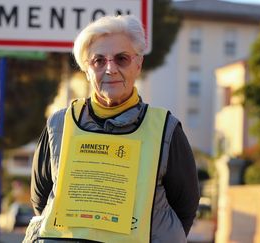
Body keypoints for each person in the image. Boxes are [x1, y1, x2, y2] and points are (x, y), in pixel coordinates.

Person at [24, 15, 199, 243]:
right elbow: (41, 199)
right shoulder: (58, 125)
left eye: (122, 59)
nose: (110, 69)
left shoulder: (166, 130)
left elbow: (185, 207)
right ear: (87, 70)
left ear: (138, 64)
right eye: (98, 61)